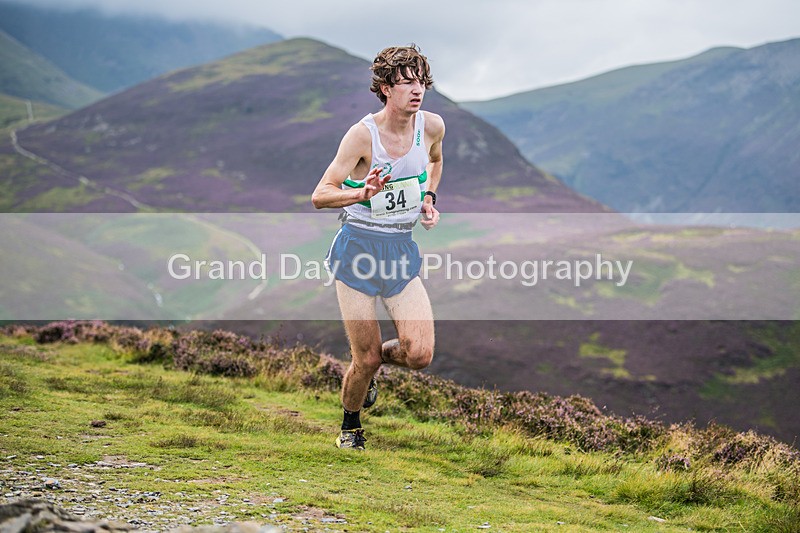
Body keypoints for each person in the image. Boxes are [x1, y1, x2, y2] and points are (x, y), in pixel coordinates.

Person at [311, 44, 445, 450]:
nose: (415, 89)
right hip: (357, 252)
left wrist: (429, 198)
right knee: (363, 360)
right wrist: (360, 194)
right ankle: (350, 427)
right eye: (405, 82)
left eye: (419, 81)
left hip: (400, 251)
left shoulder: (432, 126)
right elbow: (320, 195)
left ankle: (373, 366)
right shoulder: (362, 135)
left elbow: (435, 161)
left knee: (419, 354)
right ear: (385, 88)